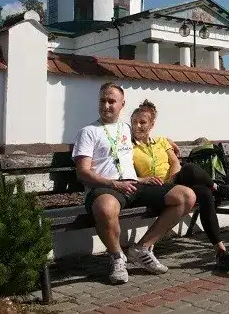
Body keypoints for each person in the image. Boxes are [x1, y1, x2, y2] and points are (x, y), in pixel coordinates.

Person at [72, 82, 197, 285]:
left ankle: (143, 248)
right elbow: (82, 173)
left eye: (112, 101)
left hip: (134, 185)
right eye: (102, 100)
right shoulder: (88, 132)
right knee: (105, 207)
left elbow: (146, 132)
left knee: (186, 196)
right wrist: (113, 184)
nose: (106, 105)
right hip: (106, 188)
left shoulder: (125, 128)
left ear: (122, 104)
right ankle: (117, 258)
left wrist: (167, 141)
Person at [130, 99, 229, 272]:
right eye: (134, 122)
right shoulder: (128, 147)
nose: (138, 126)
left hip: (174, 183)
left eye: (142, 122)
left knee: (188, 169)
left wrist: (172, 180)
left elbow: (175, 163)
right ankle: (216, 189)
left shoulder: (161, 142)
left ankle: (221, 250)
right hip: (155, 189)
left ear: (151, 125)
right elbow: (127, 173)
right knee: (203, 193)